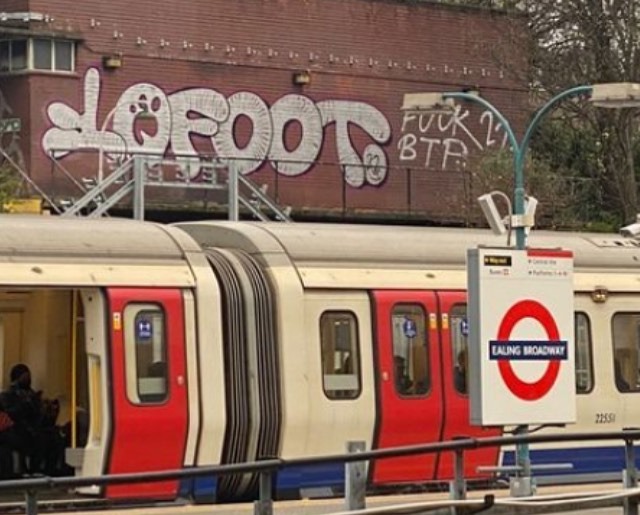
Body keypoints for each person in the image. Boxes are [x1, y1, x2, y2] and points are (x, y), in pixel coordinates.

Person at [0, 363, 65, 476]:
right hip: (16, 430)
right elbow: (10, 415)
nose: (28, 379)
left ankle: (49, 471)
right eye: (24, 377)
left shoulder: (33, 395)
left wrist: (50, 410)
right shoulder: (7, 396)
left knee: (55, 436)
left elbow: (41, 418)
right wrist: (27, 403)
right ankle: (33, 469)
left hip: (35, 428)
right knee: (37, 437)